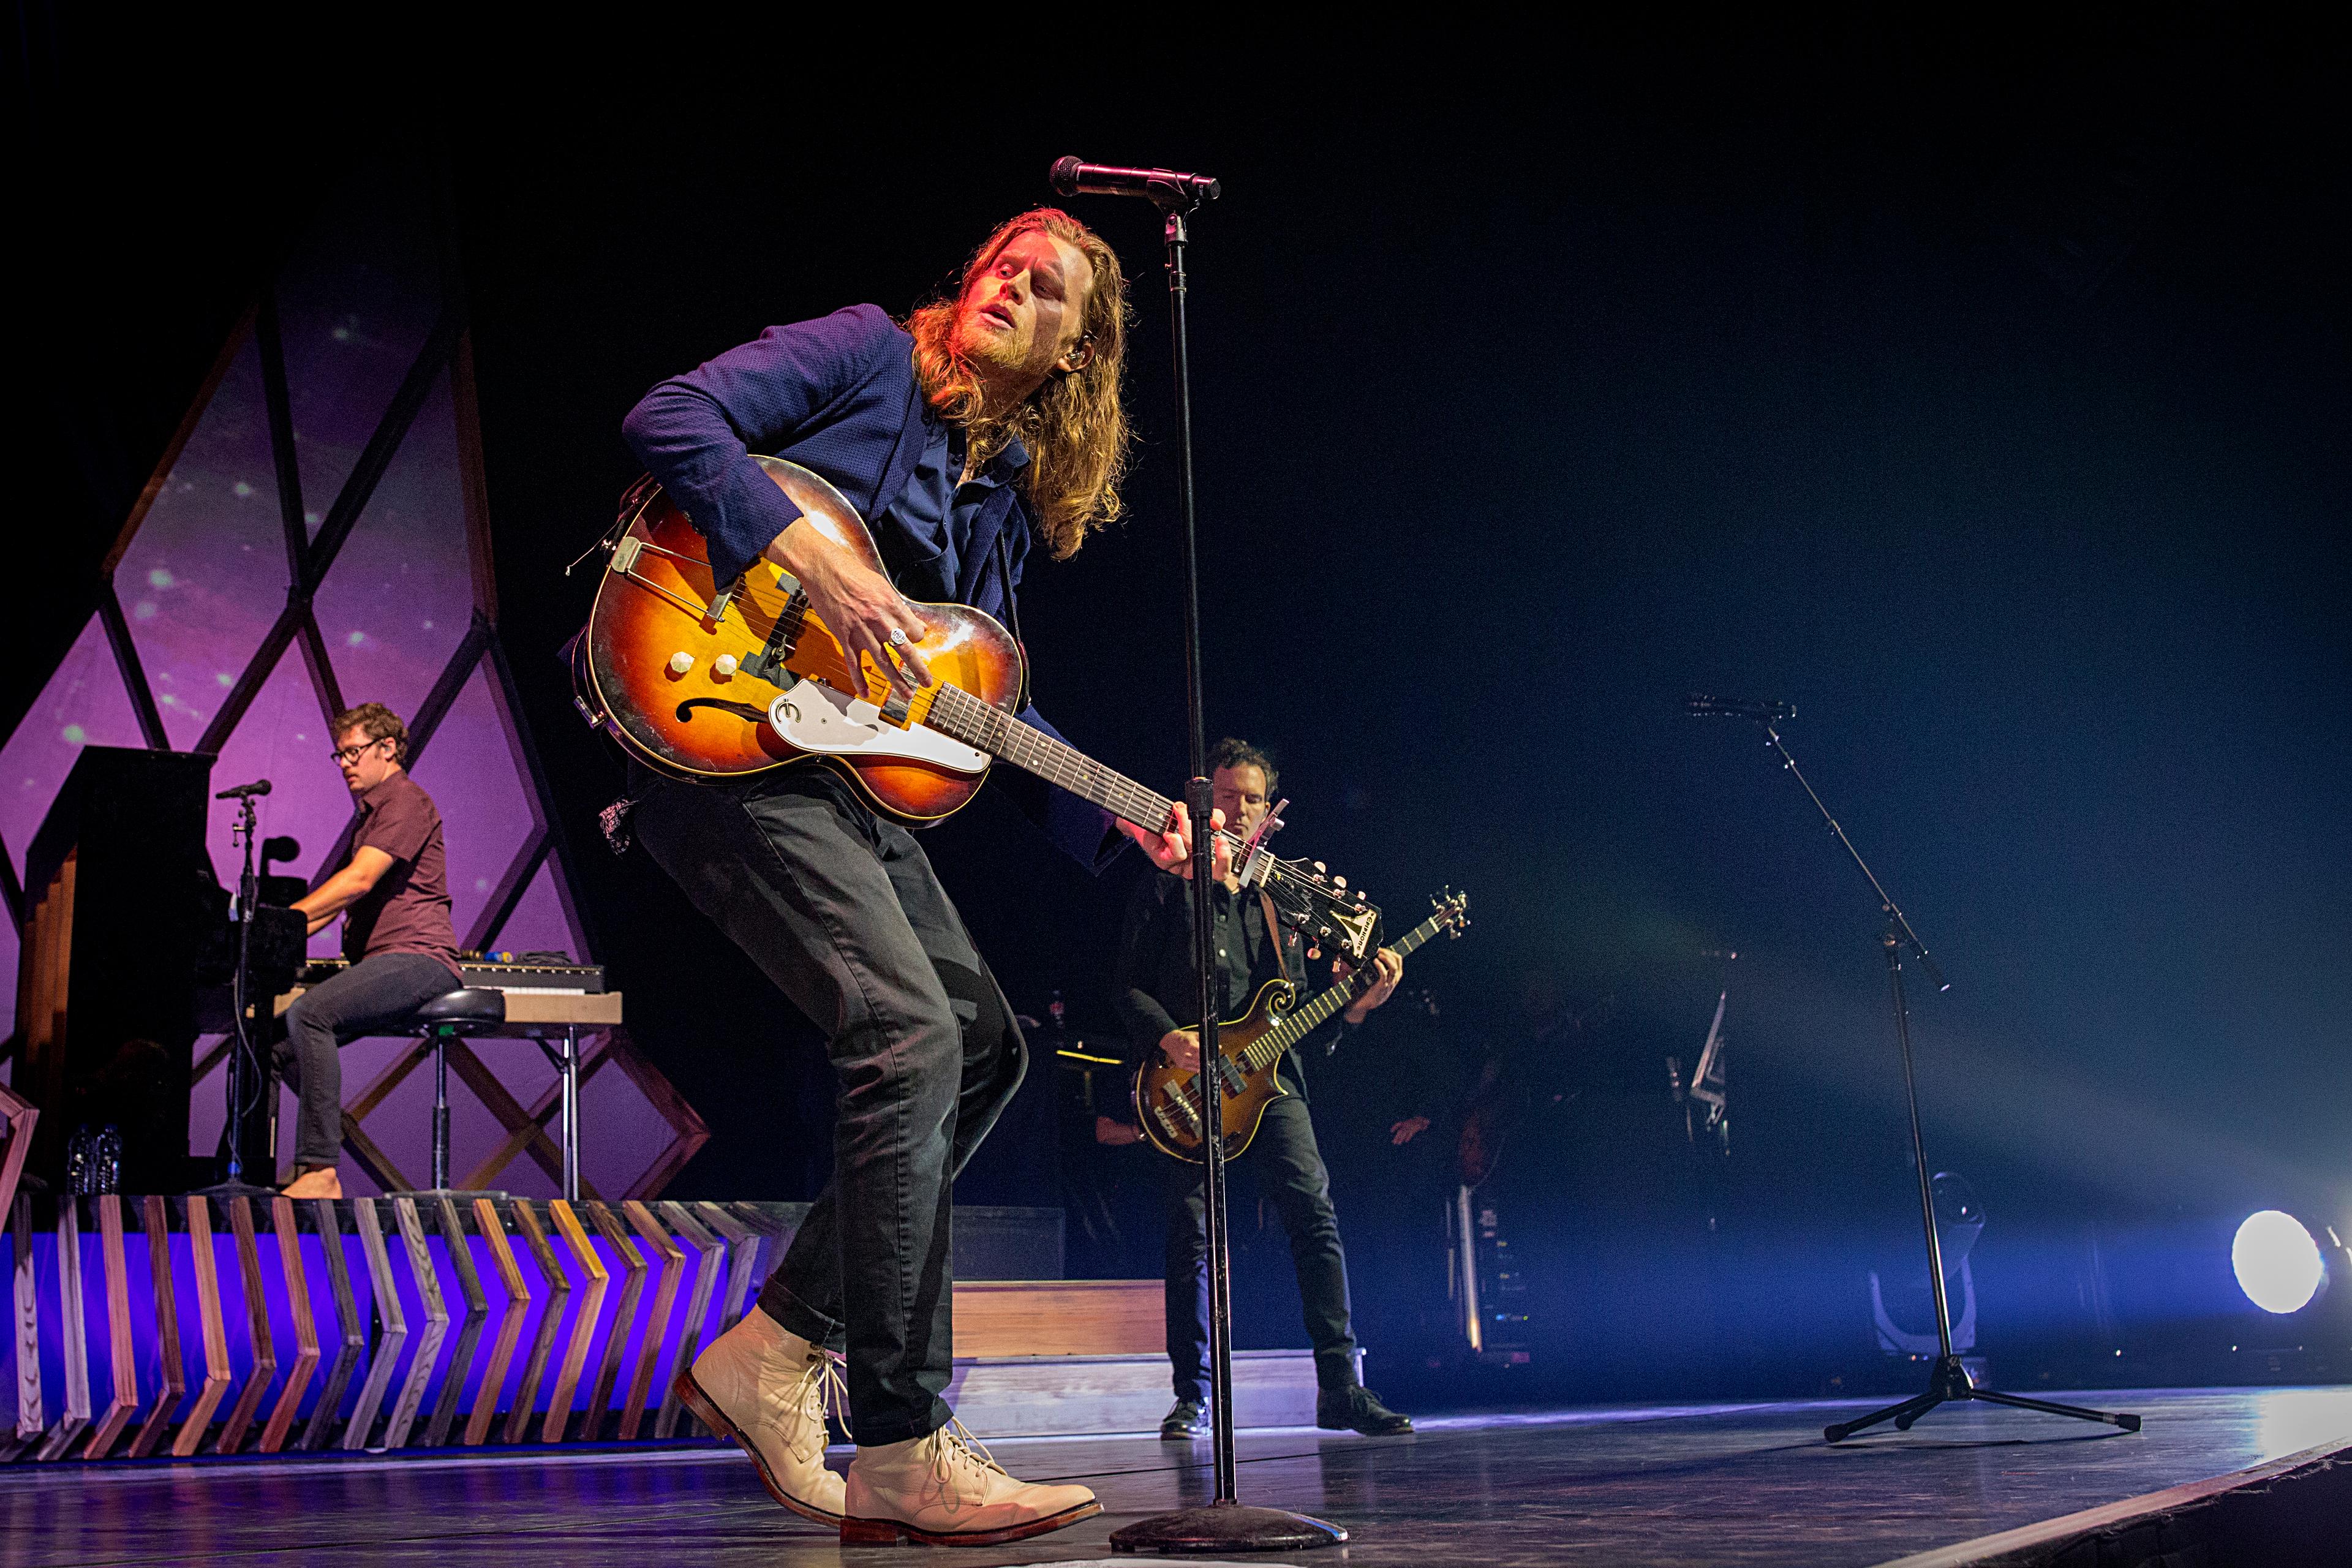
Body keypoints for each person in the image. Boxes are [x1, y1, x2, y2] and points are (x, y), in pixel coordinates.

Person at [622, 209, 1215, 1547]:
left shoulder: (997, 500)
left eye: (1046, 282)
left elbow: (973, 704)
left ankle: (776, 1351)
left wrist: (1129, 813)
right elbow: (670, 417)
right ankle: (898, 1435)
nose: (1008, 278)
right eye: (1003, 256)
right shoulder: (861, 355)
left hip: (847, 791)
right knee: (904, 1031)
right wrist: (808, 553)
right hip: (728, 740)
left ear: (1077, 351)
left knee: (986, 1047)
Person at [1114, 737, 1416, 1440]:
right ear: (1203, 801)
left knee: (1315, 1214)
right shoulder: (1166, 879)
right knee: (1192, 1235)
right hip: (1186, 1080)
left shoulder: (1283, 901)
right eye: (1226, 795)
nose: (1240, 809)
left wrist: (1357, 1006)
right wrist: (1169, 1037)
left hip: (1273, 1083)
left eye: (1252, 798)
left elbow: (1302, 1012)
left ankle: (1340, 1389)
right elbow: (1124, 985)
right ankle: (1193, 1396)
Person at [277, 703, 462, 1200]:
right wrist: (268, 938)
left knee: (310, 1015)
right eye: (339, 755)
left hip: (420, 960)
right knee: (272, 1047)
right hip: (385, 962)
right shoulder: (375, 815)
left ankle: (320, 1169)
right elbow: (333, 907)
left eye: (354, 752)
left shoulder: (404, 801)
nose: (345, 764)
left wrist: (286, 922)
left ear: (388, 749)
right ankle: (271, 1169)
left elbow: (356, 882)